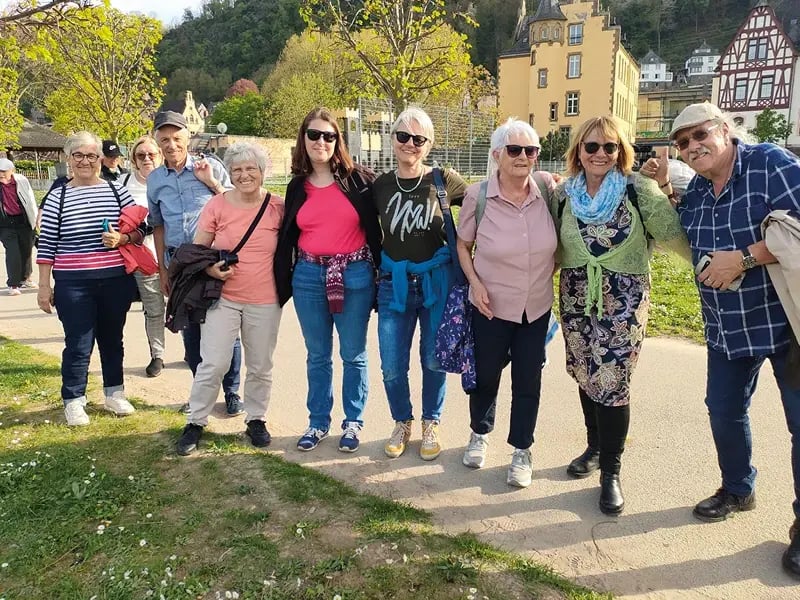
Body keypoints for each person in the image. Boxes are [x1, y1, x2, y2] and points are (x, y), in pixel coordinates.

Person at [668, 102, 800, 577]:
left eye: (700, 134)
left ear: (725, 129)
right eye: (682, 142)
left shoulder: (770, 164)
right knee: (723, 410)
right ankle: (738, 488)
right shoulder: (698, 192)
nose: (692, 146)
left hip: (787, 325)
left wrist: (743, 258)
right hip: (727, 327)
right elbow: (688, 239)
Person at [552, 116, 689, 514]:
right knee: (585, 372)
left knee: (612, 380)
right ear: (578, 150)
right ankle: (594, 447)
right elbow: (542, 241)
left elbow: (673, 234)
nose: (600, 154)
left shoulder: (638, 189)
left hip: (623, 301)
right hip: (576, 296)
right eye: (591, 146)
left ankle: (611, 471)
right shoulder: (562, 195)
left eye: (609, 147)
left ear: (620, 152)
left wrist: (716, 265)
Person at [456, 118, 557, 487]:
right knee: (486, 375)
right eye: (514, 150)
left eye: (531, 150)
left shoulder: (548, 189)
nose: (523, 157)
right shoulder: (478, 196)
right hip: (491, 304)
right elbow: (463, 245)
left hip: (536, 306)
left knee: (528, 379)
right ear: (498, 155)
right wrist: (475, 283)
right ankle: (479, 434)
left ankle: (521, 449)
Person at [275, 108, 381, 453]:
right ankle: (318, 421)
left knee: (353, 354)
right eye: (314, 135)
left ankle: (353, 421)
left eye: (329, 136)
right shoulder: (297, 187)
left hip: (354, 274)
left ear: (338, 141)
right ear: (303, 139)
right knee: (317, 355)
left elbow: (400, 197)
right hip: (308, 275)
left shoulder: (360, 179)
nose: (321, 142)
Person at [176, 142, 284, 455]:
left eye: (251, 168)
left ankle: (256, 418)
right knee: (214, 363)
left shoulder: (278, 206)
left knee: (261, 365)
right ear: (230, 173)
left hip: (265, 299)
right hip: (223, 298)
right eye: (237, 169)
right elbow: (196, 251)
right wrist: (210, 267)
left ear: (263, 172)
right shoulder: (217, 206)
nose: (244, 174)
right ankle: (196, 421)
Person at [372, 107, 467, 460]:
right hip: (393, 283)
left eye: (418, 139)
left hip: (435, 283)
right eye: (403, 136)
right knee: (392, 364)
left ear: (428, 145)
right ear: (393, 139)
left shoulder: (444, 180)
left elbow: (483, 202)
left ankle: (431, 421)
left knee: (432, 359)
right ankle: (402, 421)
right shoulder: (380, 185)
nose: (410, 144)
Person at [36, 131, 145, 426]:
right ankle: (73, 400)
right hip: (73, 283)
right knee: (78, 343)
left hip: (113, 280)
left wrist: (122, 237)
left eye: (92, 155)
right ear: (69, 159)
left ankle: (114, 393)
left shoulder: (116, 191)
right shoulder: (57, 197)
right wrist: (44, 285)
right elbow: (46, 245)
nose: (85, 161)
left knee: (112, 340)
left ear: (101, 159)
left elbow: (140, 230)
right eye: (79, 155)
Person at [147, 110, 243, 415]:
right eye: (165, 139)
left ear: (188, 137)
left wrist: (212, 182)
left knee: (226, 330)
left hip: (214, 260)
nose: (171, 144)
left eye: (177, 137)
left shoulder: (209, 167)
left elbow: (236, 206)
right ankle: (201, 393)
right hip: (179, 264)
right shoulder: (155, 180)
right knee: (190, 333)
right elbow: (158, 226)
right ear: (157, 142)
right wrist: (163, 270)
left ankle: (231, 392)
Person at [122, 135, 167, 377]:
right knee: (145, 308)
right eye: (141, 155)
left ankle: (172, 354)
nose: (147, 158)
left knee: (167, 307)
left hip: (163, 254)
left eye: (152, 154)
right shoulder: (122, 184)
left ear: (160, 156)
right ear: (134, 160)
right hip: (133, 257)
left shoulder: (169, 182)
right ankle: (155, 355)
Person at [0, 158, 37, 295]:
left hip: (23, 220)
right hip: (5, 223)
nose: (1, 174)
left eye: (4, 171)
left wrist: (35, 221)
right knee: (13, 252)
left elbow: (30, 199)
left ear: (12, 171)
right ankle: (13, 284)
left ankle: (25, 278)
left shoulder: (21, 181)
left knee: (26, 250)